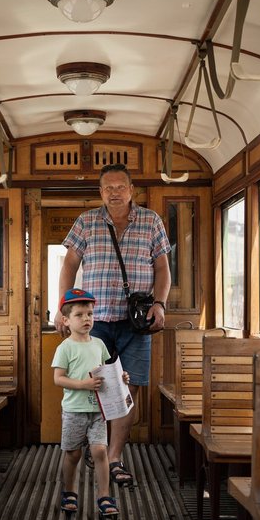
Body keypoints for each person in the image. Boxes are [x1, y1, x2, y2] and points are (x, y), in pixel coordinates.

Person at [54, 163, 171, 487]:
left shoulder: (151, 221)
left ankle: (115, 456)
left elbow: (163, 269)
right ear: (100, 192)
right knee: (93, 388)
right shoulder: (87, 222)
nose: (115, 193)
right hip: (95, 322)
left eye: (121, 187)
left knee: (127, 390)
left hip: (137, 321)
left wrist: (159, 304)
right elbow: (70, 265)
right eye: (108, 188)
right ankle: (97, 447)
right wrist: (62, 308)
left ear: (132, 189)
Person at [52, 288, 125, 517]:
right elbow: (58, 378)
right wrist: (83, 384)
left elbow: (106, 371)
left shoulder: (99, 344)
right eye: (80, 315)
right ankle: (69, 490)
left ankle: (104, 495)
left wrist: (120, 377)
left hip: (97, 410)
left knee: (100, 451)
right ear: (66, 320)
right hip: (74, 411)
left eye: (90, 314)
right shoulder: (65, 347)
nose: (86, 319)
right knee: (73, 454)